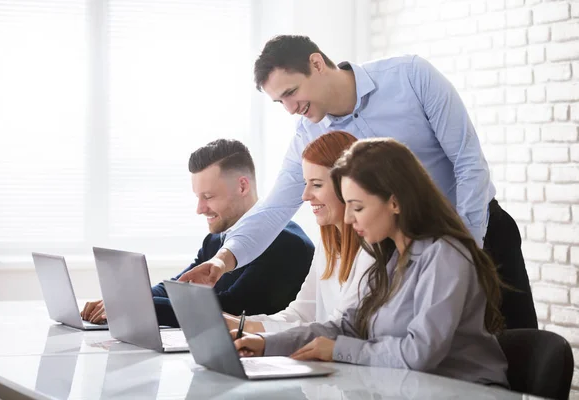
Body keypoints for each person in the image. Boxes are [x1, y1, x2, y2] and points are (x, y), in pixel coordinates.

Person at [180, 34, 537, 330]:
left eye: (291, 92)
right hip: (404, 253)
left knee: (517, 359)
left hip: (479, 232)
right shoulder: (309, 132)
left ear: (316, 64)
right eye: (279, 101)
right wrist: (224, 260)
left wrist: (461, 251)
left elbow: (469, 163)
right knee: (448, 364)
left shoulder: (411, 77)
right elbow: (275, 208)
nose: (289, 108)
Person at [233, 138, 509, 387]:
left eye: (358, 206)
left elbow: (419, 354)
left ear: (395, 203)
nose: (350, 219)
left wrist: (339, 350)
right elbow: (343, 327)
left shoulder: (445, 255)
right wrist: (265, 344)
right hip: (409, 388)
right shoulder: (384, 255)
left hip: (467, 391)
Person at [81, 139, 314, 326]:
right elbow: (177, 288)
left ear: (243, 186)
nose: (200, 209)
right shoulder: (216, 239)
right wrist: (123, 299)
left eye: (209, 197)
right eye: (198, 197)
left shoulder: (287, 243)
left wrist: (136, 305)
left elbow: (229, 309)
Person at [225, 131, 374, 333]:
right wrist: (241, 325)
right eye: (306, 184)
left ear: (348, 186)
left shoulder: (373, 251)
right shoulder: (328, 245)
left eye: (317, 185)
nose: (305, 196)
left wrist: (248, 329)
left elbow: (341, 330)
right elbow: (302, 314)